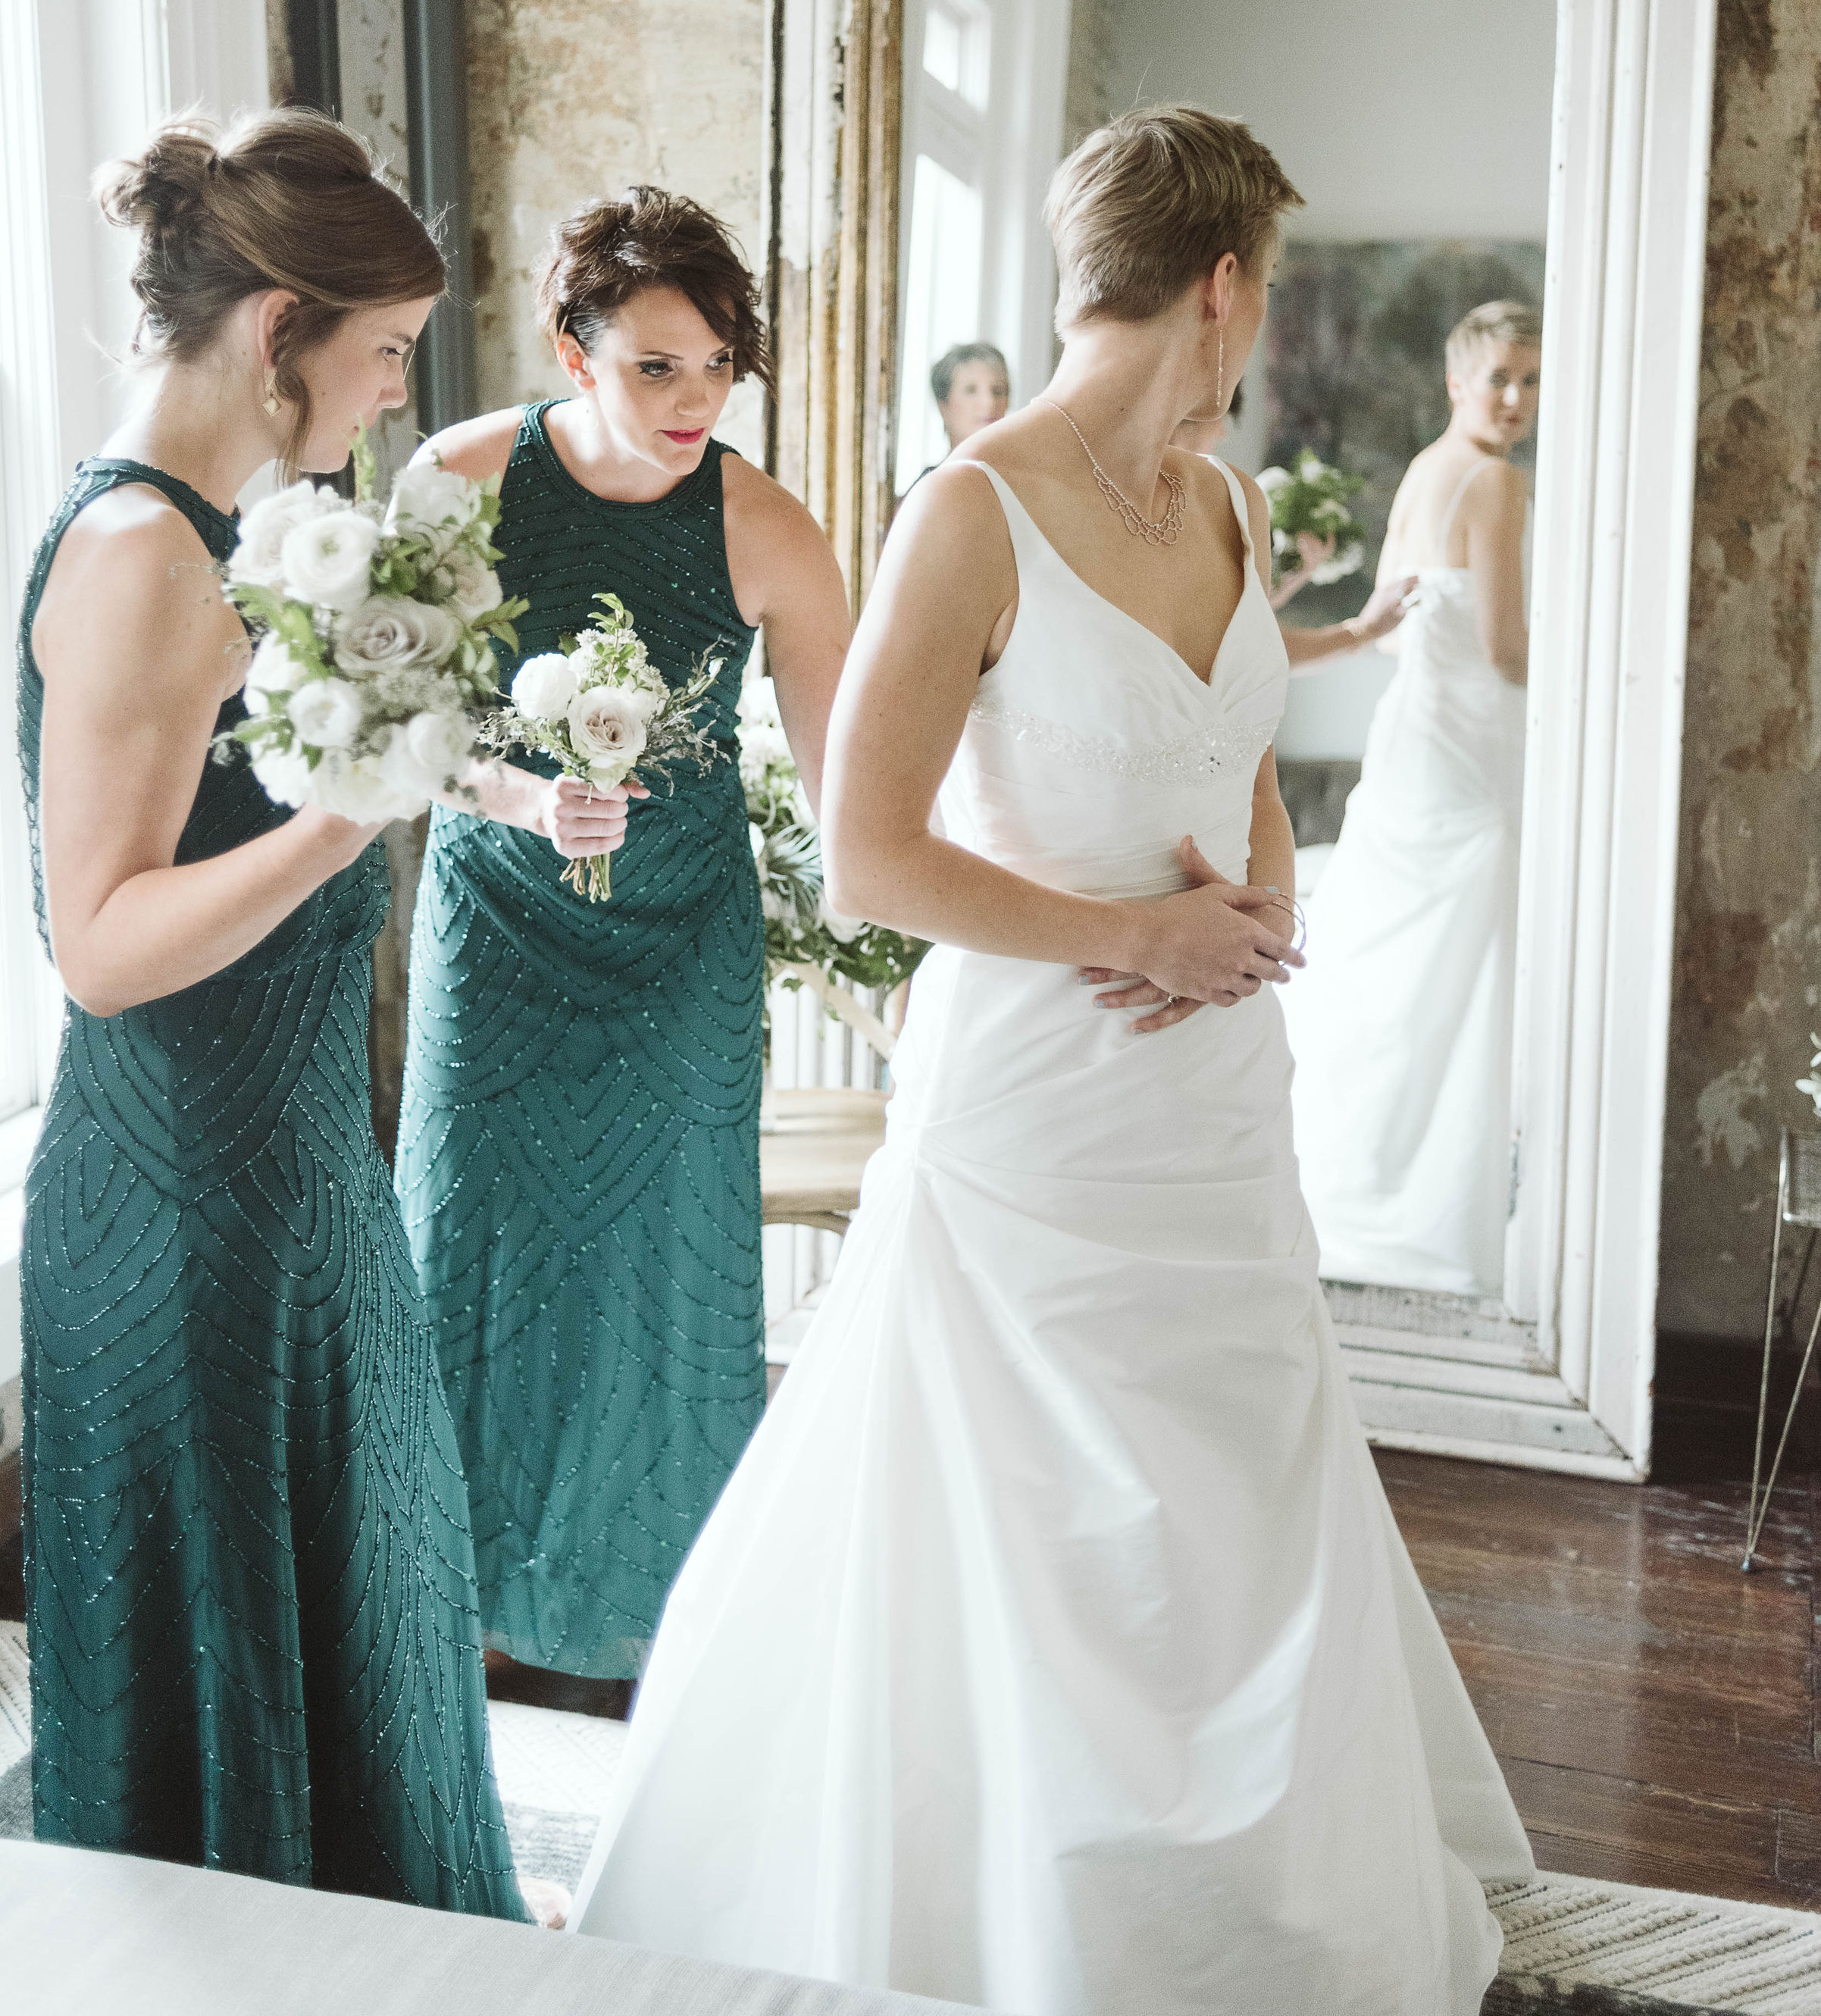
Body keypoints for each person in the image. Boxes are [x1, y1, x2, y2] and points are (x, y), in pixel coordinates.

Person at [566, 109, 1531, 2009]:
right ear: (1224, 283)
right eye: (1251, 301)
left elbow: (1241, 746)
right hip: (1035, 1096)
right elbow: (873, 850)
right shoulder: (969, 510)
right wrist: (1137, 934)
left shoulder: (1231, 502)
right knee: (1019, 1523)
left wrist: (1249, 908)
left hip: (1213, 1088)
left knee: (1237, 1489)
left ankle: (1261, 1896)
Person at [17, 111, 523, 1910]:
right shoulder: (144, 555)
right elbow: (98, 942)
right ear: (276, 327)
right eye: (382, 353)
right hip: (182, 1221)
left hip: (296, 1188)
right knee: (246, 1712)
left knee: (368, 1644)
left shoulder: (247, 532)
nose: (392, 394)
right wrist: (342, 825)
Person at [395, 187, 849, 1695]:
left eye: (718, 366)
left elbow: (858, 784)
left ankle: (663, 1615)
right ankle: (438, 1614)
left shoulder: (771, 529)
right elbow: (397, 729)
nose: (693, 401)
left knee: (664, 1264)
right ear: (571, 344)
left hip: (681, 946)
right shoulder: (459, 479)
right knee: (469, 1243)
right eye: (656, 366)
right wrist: (518, 796)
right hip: (498, 924)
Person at [1279, 301, 1541, 1298]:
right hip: (1467, 747)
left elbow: (1385, 629)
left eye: (1529, 380)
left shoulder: (1426, 469)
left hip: (1415, 735)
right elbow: (1508, 650)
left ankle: (1353, 1184)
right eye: (1499, 379)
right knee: (1450, 967)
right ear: (1454, 381)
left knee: (1403, 967)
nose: (1515, 400)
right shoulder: (1494, 482)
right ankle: (1416, 1207)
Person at [1175, 389, 1416, 666]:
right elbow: (1246, 647)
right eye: (1220, 417)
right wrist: (1363, 631)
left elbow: (1225, 624)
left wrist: (1293, 576)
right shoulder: (1192, 513)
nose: (1222, 434)